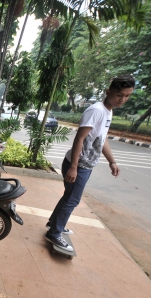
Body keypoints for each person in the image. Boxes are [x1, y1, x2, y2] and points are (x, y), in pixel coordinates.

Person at [45, 75, 135, 252]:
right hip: (79, 165)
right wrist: (73, 167)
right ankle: (54, 234)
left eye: (127, 96)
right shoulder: (96, 111)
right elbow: (80, 138)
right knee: (72, 200)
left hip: (85, 164)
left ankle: (54, 225)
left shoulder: (108, 111)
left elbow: (102, 139)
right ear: (108, 92)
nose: (122, 99)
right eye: (119, 95)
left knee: (68, 198)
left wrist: (112, 161)